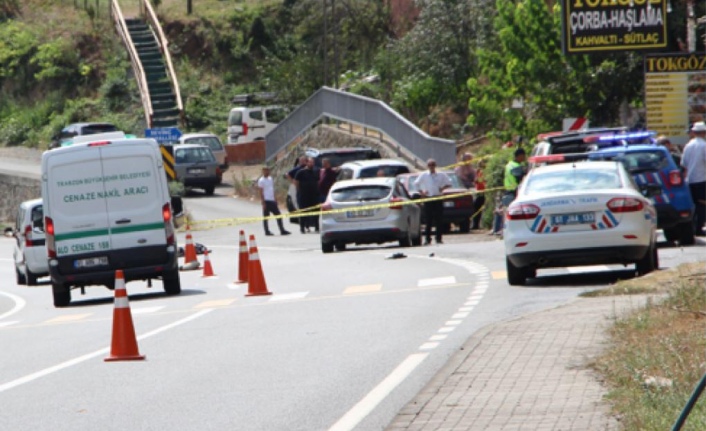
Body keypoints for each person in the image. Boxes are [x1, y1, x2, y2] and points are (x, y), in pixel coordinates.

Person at [414, 158, 452, 245]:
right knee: (428, 220)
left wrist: (443, 188)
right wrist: (422, 192)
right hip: (428, 198)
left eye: (433, 165)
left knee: (439, 219)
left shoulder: (441, 175)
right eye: (430, 165)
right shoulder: (424, 175)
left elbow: (449, 182)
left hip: (438, 197)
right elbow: (416, 183)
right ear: (427, 166)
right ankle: (428, 239)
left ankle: (438, 238)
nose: (431, 167)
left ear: (435, 166)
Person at [681, 122, 706, 236]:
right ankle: (698, 228)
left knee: (694, 205)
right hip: (702, 179)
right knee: (702, 204)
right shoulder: (703, 145)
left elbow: (684, 164)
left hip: (690, 180)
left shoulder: (688, 145)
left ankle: (694, 227)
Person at [257, 166, 291, 236]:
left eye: (268, 170)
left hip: (272, 200)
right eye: (265, 171)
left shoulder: (270, 179)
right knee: (266, 217)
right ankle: (267, 231)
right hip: (266, 200)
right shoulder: (261, 180)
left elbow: (272, 190)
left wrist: (275, 199)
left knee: (278, 215)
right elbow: (261, 192)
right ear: (263, 171)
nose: (267, 172)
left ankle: (282, 230)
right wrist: (263, 203)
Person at [294, 157, 320, 233]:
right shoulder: (301, 172)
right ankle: (302, 228)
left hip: (314, 196)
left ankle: (317, 227)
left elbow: (317, 181)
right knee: (303, 212)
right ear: (306, 163)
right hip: (304, 196)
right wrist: (300, 191)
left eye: (312, 162)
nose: (311, 164)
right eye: (310, 162)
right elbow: (296, 182)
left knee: (316, 212)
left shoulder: (315, 171)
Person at [472, 160, 486, 230]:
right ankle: (475, 225)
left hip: (483, 193)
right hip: (478, 192)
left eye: (480, 164)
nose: (479, 166)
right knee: (476, 209)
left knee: (478, 209)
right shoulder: (478, 171)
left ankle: (476, 225)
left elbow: (481, 181)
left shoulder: (484, 172)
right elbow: (476, 181)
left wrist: (476, 180)